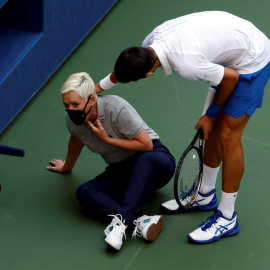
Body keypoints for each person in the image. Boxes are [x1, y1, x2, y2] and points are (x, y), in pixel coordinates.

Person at [95, 11, 270, 244]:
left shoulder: (187, 65)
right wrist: (96, 88)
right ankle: (205, 195)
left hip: (252, 58)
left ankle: (227, 217)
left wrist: (210, 114)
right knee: (214, 132)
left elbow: (230, 79)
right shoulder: (149, 44)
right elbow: (122, 71)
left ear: (148, 74)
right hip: (228, 47)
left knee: (228, 136)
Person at [46, 72, 175, 251]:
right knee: (84, 192)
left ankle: (121, 222)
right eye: (66, 105)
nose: (70, 109)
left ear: (91, 100)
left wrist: (108, 140)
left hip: (155, 162)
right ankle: (140, 220)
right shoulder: (72, 120)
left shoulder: (116, 108)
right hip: (122, 169)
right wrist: (67, 166)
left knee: (147, 160)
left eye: (75, 104)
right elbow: (76, 140)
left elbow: (146, 145)